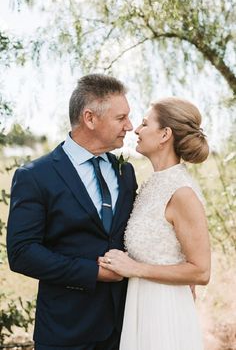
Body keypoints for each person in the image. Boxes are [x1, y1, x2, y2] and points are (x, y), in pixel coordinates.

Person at [7, 74, 138, 350]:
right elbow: (22, 253)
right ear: (90, 118)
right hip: (66, 332)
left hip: (125, 328)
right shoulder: (35, 176)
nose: (130, 126)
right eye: (121, 118)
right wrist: (93, 272)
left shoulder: (125, 171)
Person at [99, 97, 211, 350]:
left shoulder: (182, 192)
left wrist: (134, 268)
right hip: (140, 305)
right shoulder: (152, 184)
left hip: (164, 311)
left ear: (165, 135)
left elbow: (201, 271)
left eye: (145, 124)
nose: (136, 130)